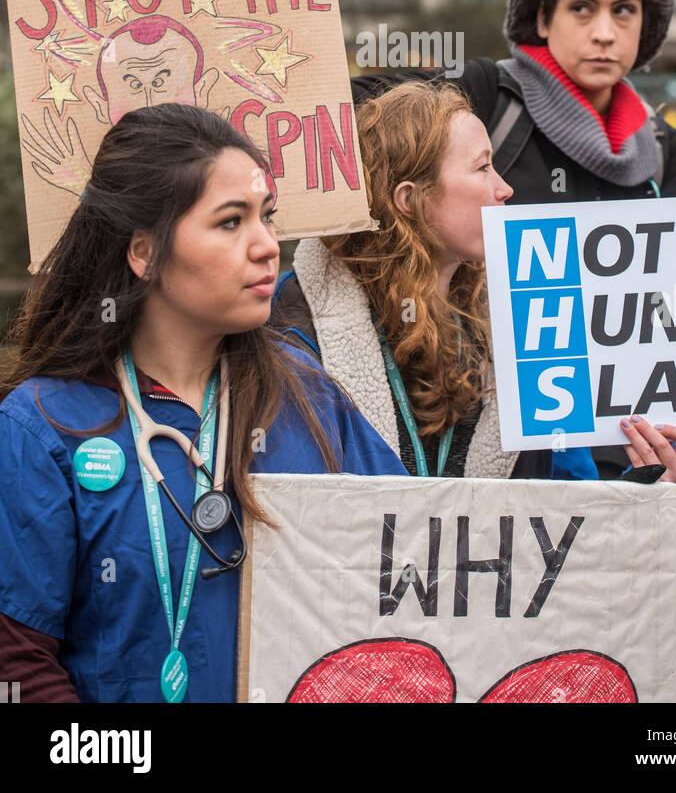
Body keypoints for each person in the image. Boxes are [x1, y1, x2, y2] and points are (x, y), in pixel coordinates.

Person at [349, 0, 676, 703]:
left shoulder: (663, 151)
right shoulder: (482, 97)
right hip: (489, 416)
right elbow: (369, 117)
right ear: (541, 18)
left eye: (625, 12)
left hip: (628, 422)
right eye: (580, 8)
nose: (603, 31)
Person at [0, 103, 405, 704]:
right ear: (144, 253)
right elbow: (17, 664)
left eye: (267, 218)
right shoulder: (43, 428)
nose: (268, 246)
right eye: (230, 222)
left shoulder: (310, 396)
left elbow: (407, 575)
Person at [274, 81, 676, 496]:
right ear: (409, 199)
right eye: (483, 167)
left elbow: (571, 500)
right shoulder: (299, 327)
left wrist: (646, 495)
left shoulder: (533, 318)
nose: (505, 189)